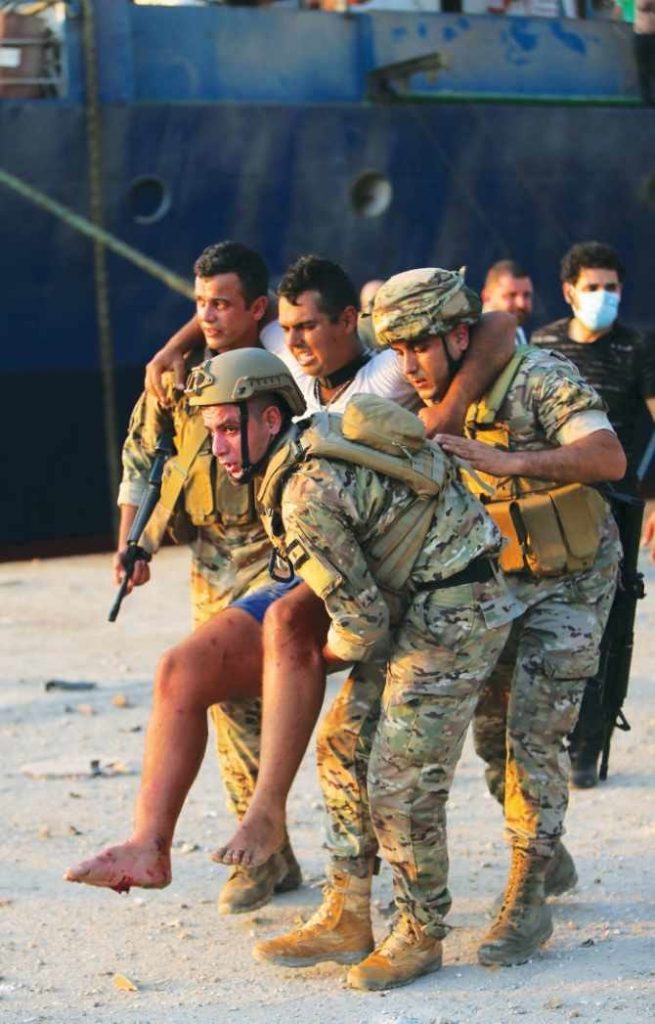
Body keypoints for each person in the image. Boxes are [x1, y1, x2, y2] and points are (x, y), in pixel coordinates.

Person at [65, 255, 517, 908]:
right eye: (289, 327)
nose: (297, 340)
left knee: (294, 642)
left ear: (345, 323)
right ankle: (148, 844)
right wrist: (175, 344)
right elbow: (221, 317)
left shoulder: (378, 374)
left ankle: (272, 819)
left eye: (309, 327)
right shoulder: (277, 369)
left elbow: (496, 324)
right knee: (179, 671)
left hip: (390, 565)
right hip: (301, 556)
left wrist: (446, 409)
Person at [190, 346, 522, 992]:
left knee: (399, 780)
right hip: (426, 598)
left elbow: (361, 625)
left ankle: (420, 931)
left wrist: (316, 659)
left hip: (457, 606)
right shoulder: (307, 441)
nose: (221, 448)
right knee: (342, 743)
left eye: (229, 429)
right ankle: (347, 913)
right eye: (212, 434)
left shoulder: (302, 490)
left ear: (268, 419)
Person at [372, 267, 624, 967]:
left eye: (419, 347)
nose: (407, 365)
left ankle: (527, 894)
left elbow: (607, 456)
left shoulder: (539, 378)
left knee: (533, 735)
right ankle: (547, 851)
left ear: (456, 337)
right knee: (488, 734)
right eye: (397, 351)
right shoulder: (419, 382)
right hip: (496, 578)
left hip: (572, 576)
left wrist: (505, 459)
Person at [66, 240, 304, 913]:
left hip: (276, 550)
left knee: (273, 701)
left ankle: (275, 846)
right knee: (230, 711)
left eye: (222, 304)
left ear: (258, 307)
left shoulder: (286, 364)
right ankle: (268, 860)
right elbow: (142, 458)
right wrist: (129, 543)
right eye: (198, 304)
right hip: (210, 554)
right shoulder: (174, 378)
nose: (207, 316)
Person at [531, 240, 655, 787]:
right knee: (545, 620)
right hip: (552, 505)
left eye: (613, 287)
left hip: (619, 504)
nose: (604, 297)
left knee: (611, 626)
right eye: (593, 287)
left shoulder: (638, 348)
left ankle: (590, 738)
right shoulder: (545, 344)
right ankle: (545, 734)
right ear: (569, 292)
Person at [481, 258, 534, 346]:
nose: (521, 304)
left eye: (526, 295)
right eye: (511, 295)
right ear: (486, 297)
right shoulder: (471, 339)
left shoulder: (517, 332)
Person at [634, 0, 655, 105]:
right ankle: (646, 98)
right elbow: (643, 6)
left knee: (652, 67)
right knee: (643, 68)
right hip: (641, 35)